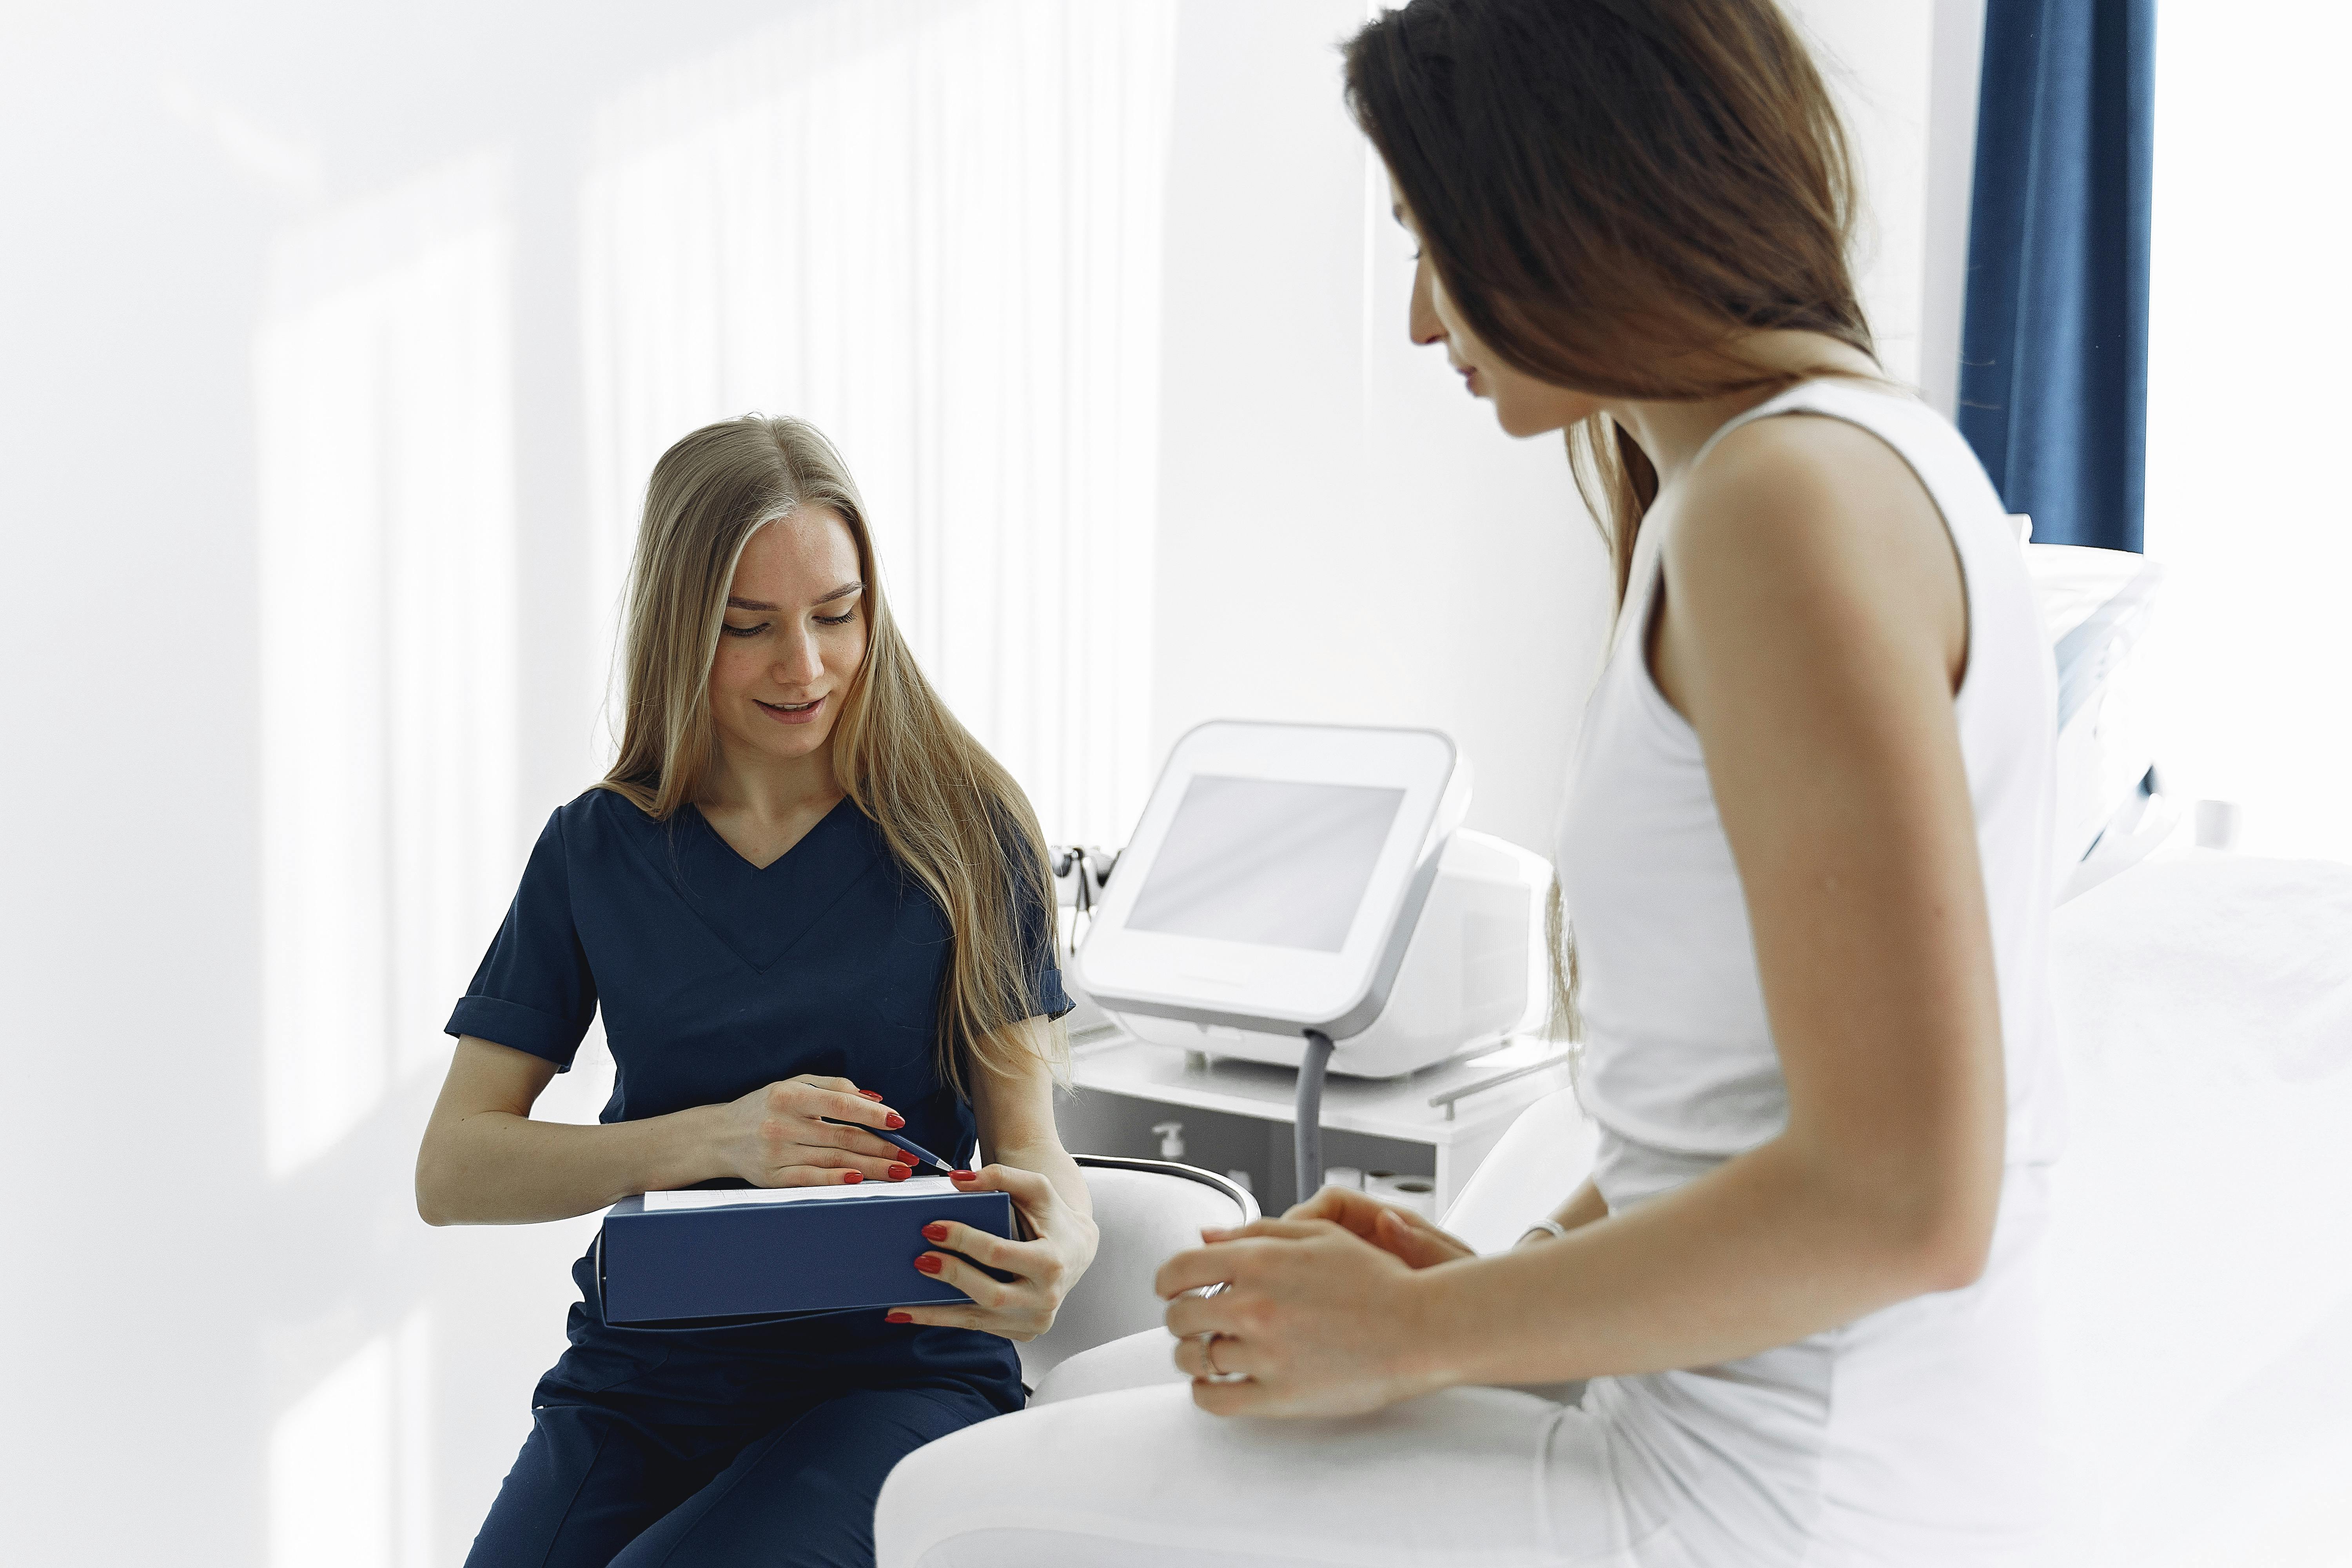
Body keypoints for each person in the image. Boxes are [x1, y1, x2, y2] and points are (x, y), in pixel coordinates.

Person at [875, 1, 2065, 1563]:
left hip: (1770, 1506)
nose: (1428, 319)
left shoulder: (1782, 505)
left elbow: (1907, 1196)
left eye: (1433, 242)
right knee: (1102, 1379)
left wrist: (1418, 1335)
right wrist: (1461, 1288)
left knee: (943, 1505)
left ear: (1567, 197)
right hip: (1745, 1441)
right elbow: (1728, 1119)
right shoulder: (1829, 468)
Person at [415, 415, 1096, 1568]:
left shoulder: (966, 831)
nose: (807, 666)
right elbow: (453, 1168)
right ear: (682, 630)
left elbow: (1034, 1142)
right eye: (751, 628)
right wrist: (712, 1139)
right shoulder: (596, 849)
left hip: (895, 1377)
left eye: (838, 614)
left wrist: (1065, 1248)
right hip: (645, 1378)